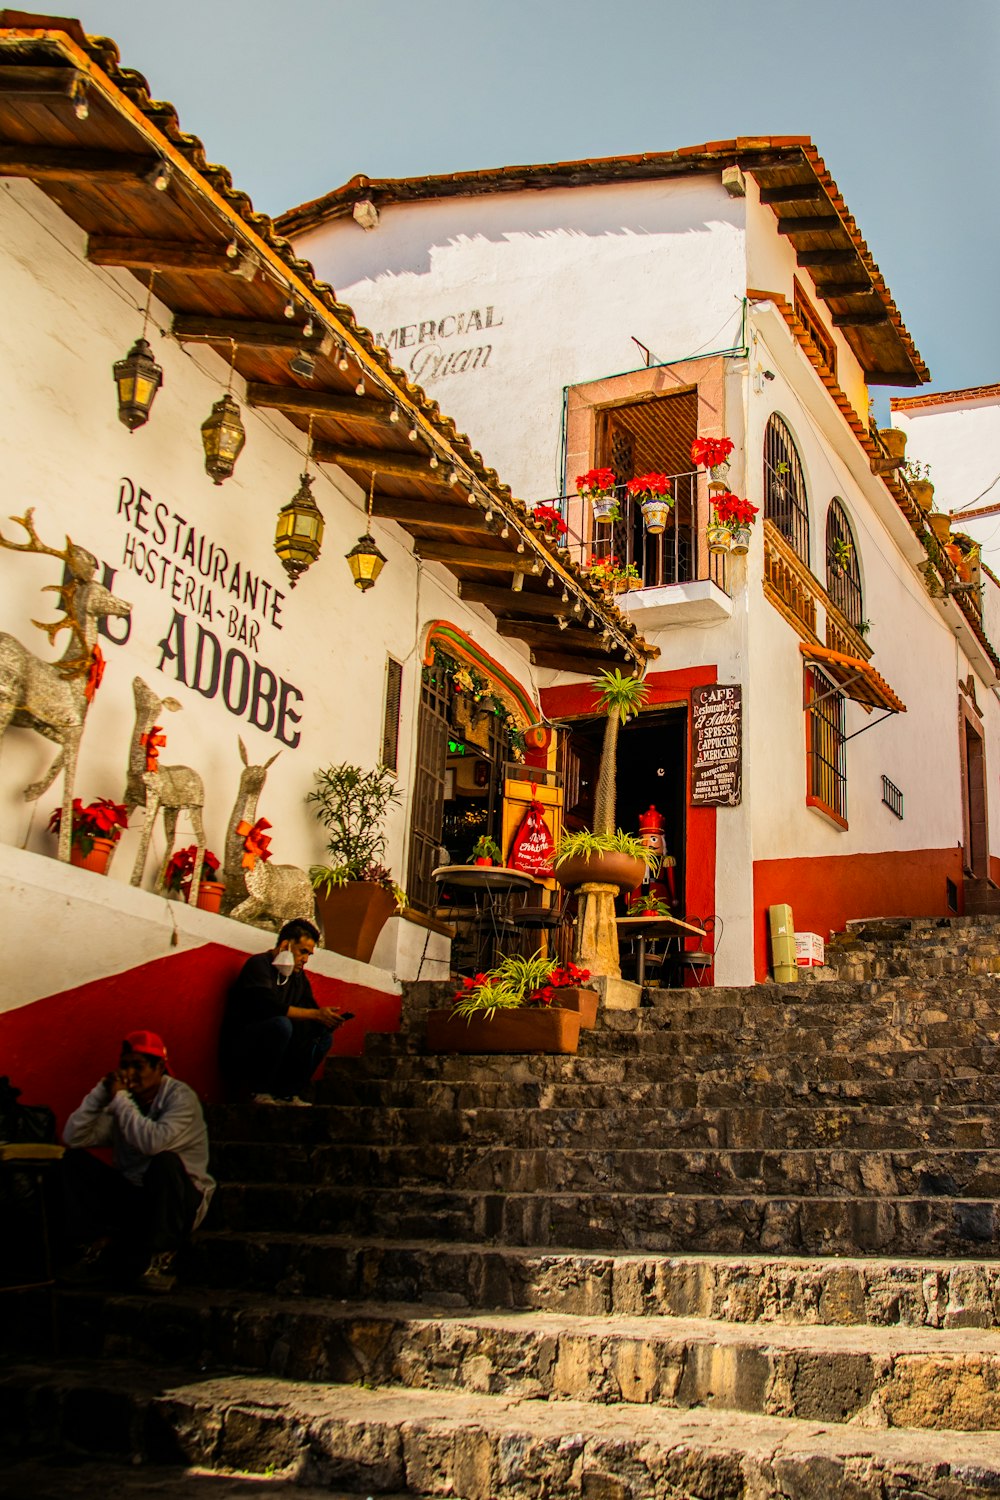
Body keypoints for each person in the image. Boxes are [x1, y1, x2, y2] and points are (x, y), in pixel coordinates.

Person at [61, 1030, 214, 1293]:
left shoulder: (180, 1097)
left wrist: (120, 1100)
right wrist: (101, 1091)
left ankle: (160, 1258)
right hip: (137, 1198)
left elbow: (152, 1144)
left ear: (159, 1068)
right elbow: (74, 1136)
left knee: (164, 1162)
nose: (130, 1073)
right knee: (71, 1160)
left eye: (138, 1066)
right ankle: (95, 1246)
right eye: (125, 1066)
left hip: (179, 1200)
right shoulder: (127, 1104)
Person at [220, 918, 349, 1104]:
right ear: (285, 945)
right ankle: (259, 1090)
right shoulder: (259, 965)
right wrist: (315, 1014)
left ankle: (287, 1093)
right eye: (302, 952)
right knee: (281, 1025)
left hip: (281, 1047)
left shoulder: (298, 978)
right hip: (244, 1046)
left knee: (322, 1037)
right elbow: (267, 1006)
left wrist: (327, 1021)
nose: (305, 959)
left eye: (308, 955)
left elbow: (310, 1010)